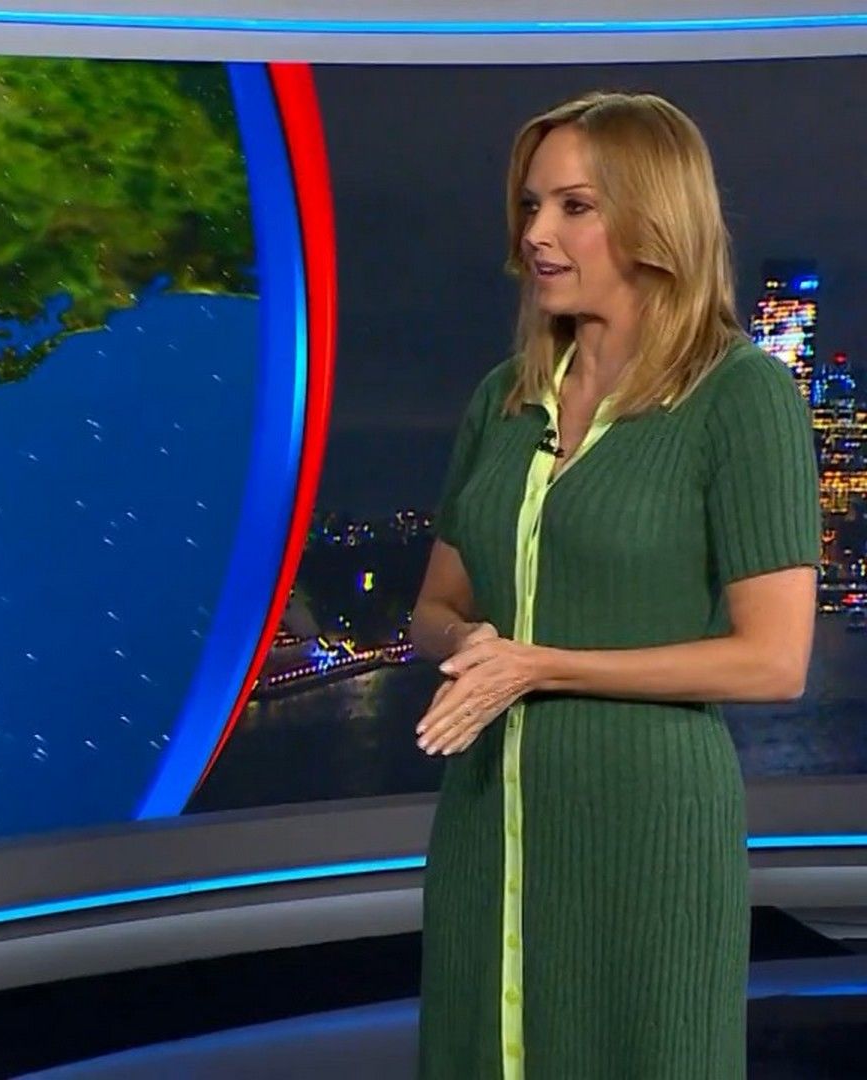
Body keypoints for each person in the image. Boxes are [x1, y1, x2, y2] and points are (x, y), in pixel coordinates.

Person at [406, 90, 820, 1079]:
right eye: (530, 205)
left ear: (653, 219)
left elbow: (774, 661)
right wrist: (470, 647)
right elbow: (432, 610)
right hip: (487, 827)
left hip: (645, 833)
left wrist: (539, 666)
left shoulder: (740, 396)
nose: (535, 234)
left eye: (574, 207)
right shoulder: (504, 400)